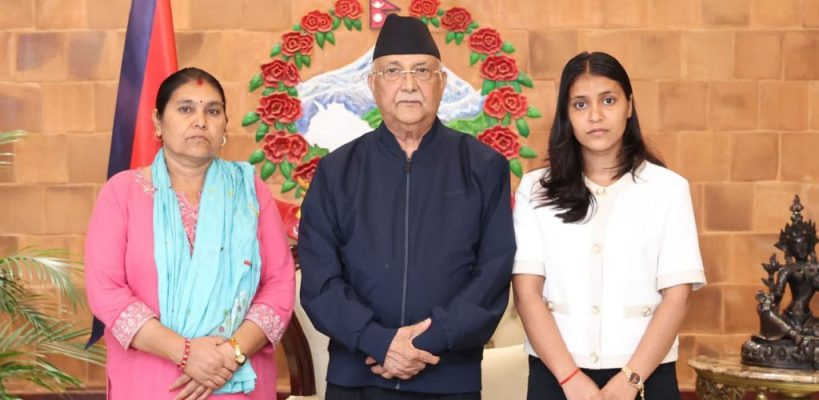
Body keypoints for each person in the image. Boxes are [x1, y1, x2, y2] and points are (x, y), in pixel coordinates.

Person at [298, 14, 516, 400]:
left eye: (422, 71)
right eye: (393, 71)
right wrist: (378, 341)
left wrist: (427, 342)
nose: (409, 85)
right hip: (358, 377)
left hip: (449, 377)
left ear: (442, 82)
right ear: (373, 84)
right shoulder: (336, 172)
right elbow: (320, 280)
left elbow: (493, 273)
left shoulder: (484, 167)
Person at [85, 67, 295, 399]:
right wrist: (186, 353)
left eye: (213, 111)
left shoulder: (250, 192)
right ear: (157, 121)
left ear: (224, 124)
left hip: (237, 378)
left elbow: (280, 285)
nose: (200, 121)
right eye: (186, 109)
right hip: (152, 381)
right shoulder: (121, 194)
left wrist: (229, 354)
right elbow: (106, 290)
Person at [511, 52, 706, 400]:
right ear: (566, 115)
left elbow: (677, 296)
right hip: (556, 376)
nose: (595, 116)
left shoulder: (669, 189)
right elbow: (527, 293)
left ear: (629, 105)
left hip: (646, 376)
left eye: (608, 100)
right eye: (580, 104)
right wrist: (571, 378)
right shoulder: (535, 190)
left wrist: (630, 380)